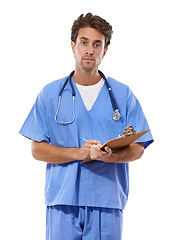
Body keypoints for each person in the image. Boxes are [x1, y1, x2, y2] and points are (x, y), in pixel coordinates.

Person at [20, 13, 153, 240]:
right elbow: (37, 149)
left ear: (105, 50)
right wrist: (80, 153)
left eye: (97, 44)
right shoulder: (51, 95)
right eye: (84, 42)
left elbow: (139, 147)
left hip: (106, 202)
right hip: (62, 203)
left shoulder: (123, 95)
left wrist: (107, 157)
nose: (89, 50)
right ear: (73, 46)